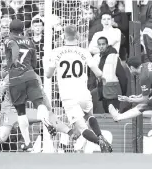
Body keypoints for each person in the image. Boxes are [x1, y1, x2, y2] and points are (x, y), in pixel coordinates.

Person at [0, 73, 79, 152]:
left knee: (48, 115)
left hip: (23, 111)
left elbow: (42, 96)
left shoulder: (35, 79)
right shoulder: (11, 77)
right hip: (8, 111)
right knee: (1, 137)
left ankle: (69, 132)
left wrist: (49, 110)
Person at [46, 25, 112, 153]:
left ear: (64, 36)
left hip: (68, 96)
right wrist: (102, 78)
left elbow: (48, 75)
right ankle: (99, 135)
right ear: (77, 36)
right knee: (89, 115)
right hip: (83, 92)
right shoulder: (84, 52)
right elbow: (98, 72)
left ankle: (100, 142)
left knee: (81, 129)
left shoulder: (56, 52)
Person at [3, 19, 57, 151]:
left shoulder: (8, 39)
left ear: (10, 29)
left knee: (21, 113)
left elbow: (14, 47)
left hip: (16, 79)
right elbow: (35, 63)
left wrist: (13, 62)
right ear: (22, 29)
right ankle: (46, 121)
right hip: (31, 76)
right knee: (40, 104)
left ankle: (28, 143)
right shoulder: (30, 42)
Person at [109, 57, 152, 153]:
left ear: (132, 67)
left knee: (141, 106)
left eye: (129, 68)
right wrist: (138, 96)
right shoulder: (147, 65)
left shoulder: (144, 76)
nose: (129, 71)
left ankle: (118, 117)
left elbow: (144, 99)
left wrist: (129, 99)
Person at [94, 36, 127, 114]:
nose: (101, 46)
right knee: (108, 115)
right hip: (103, 91)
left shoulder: (113, 57)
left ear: (107, 45)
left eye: (103, 44)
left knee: (114, 116)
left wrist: (123, 93)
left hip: (113, 92)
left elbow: (123, 77)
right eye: (99, 44)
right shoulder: (98, 57)